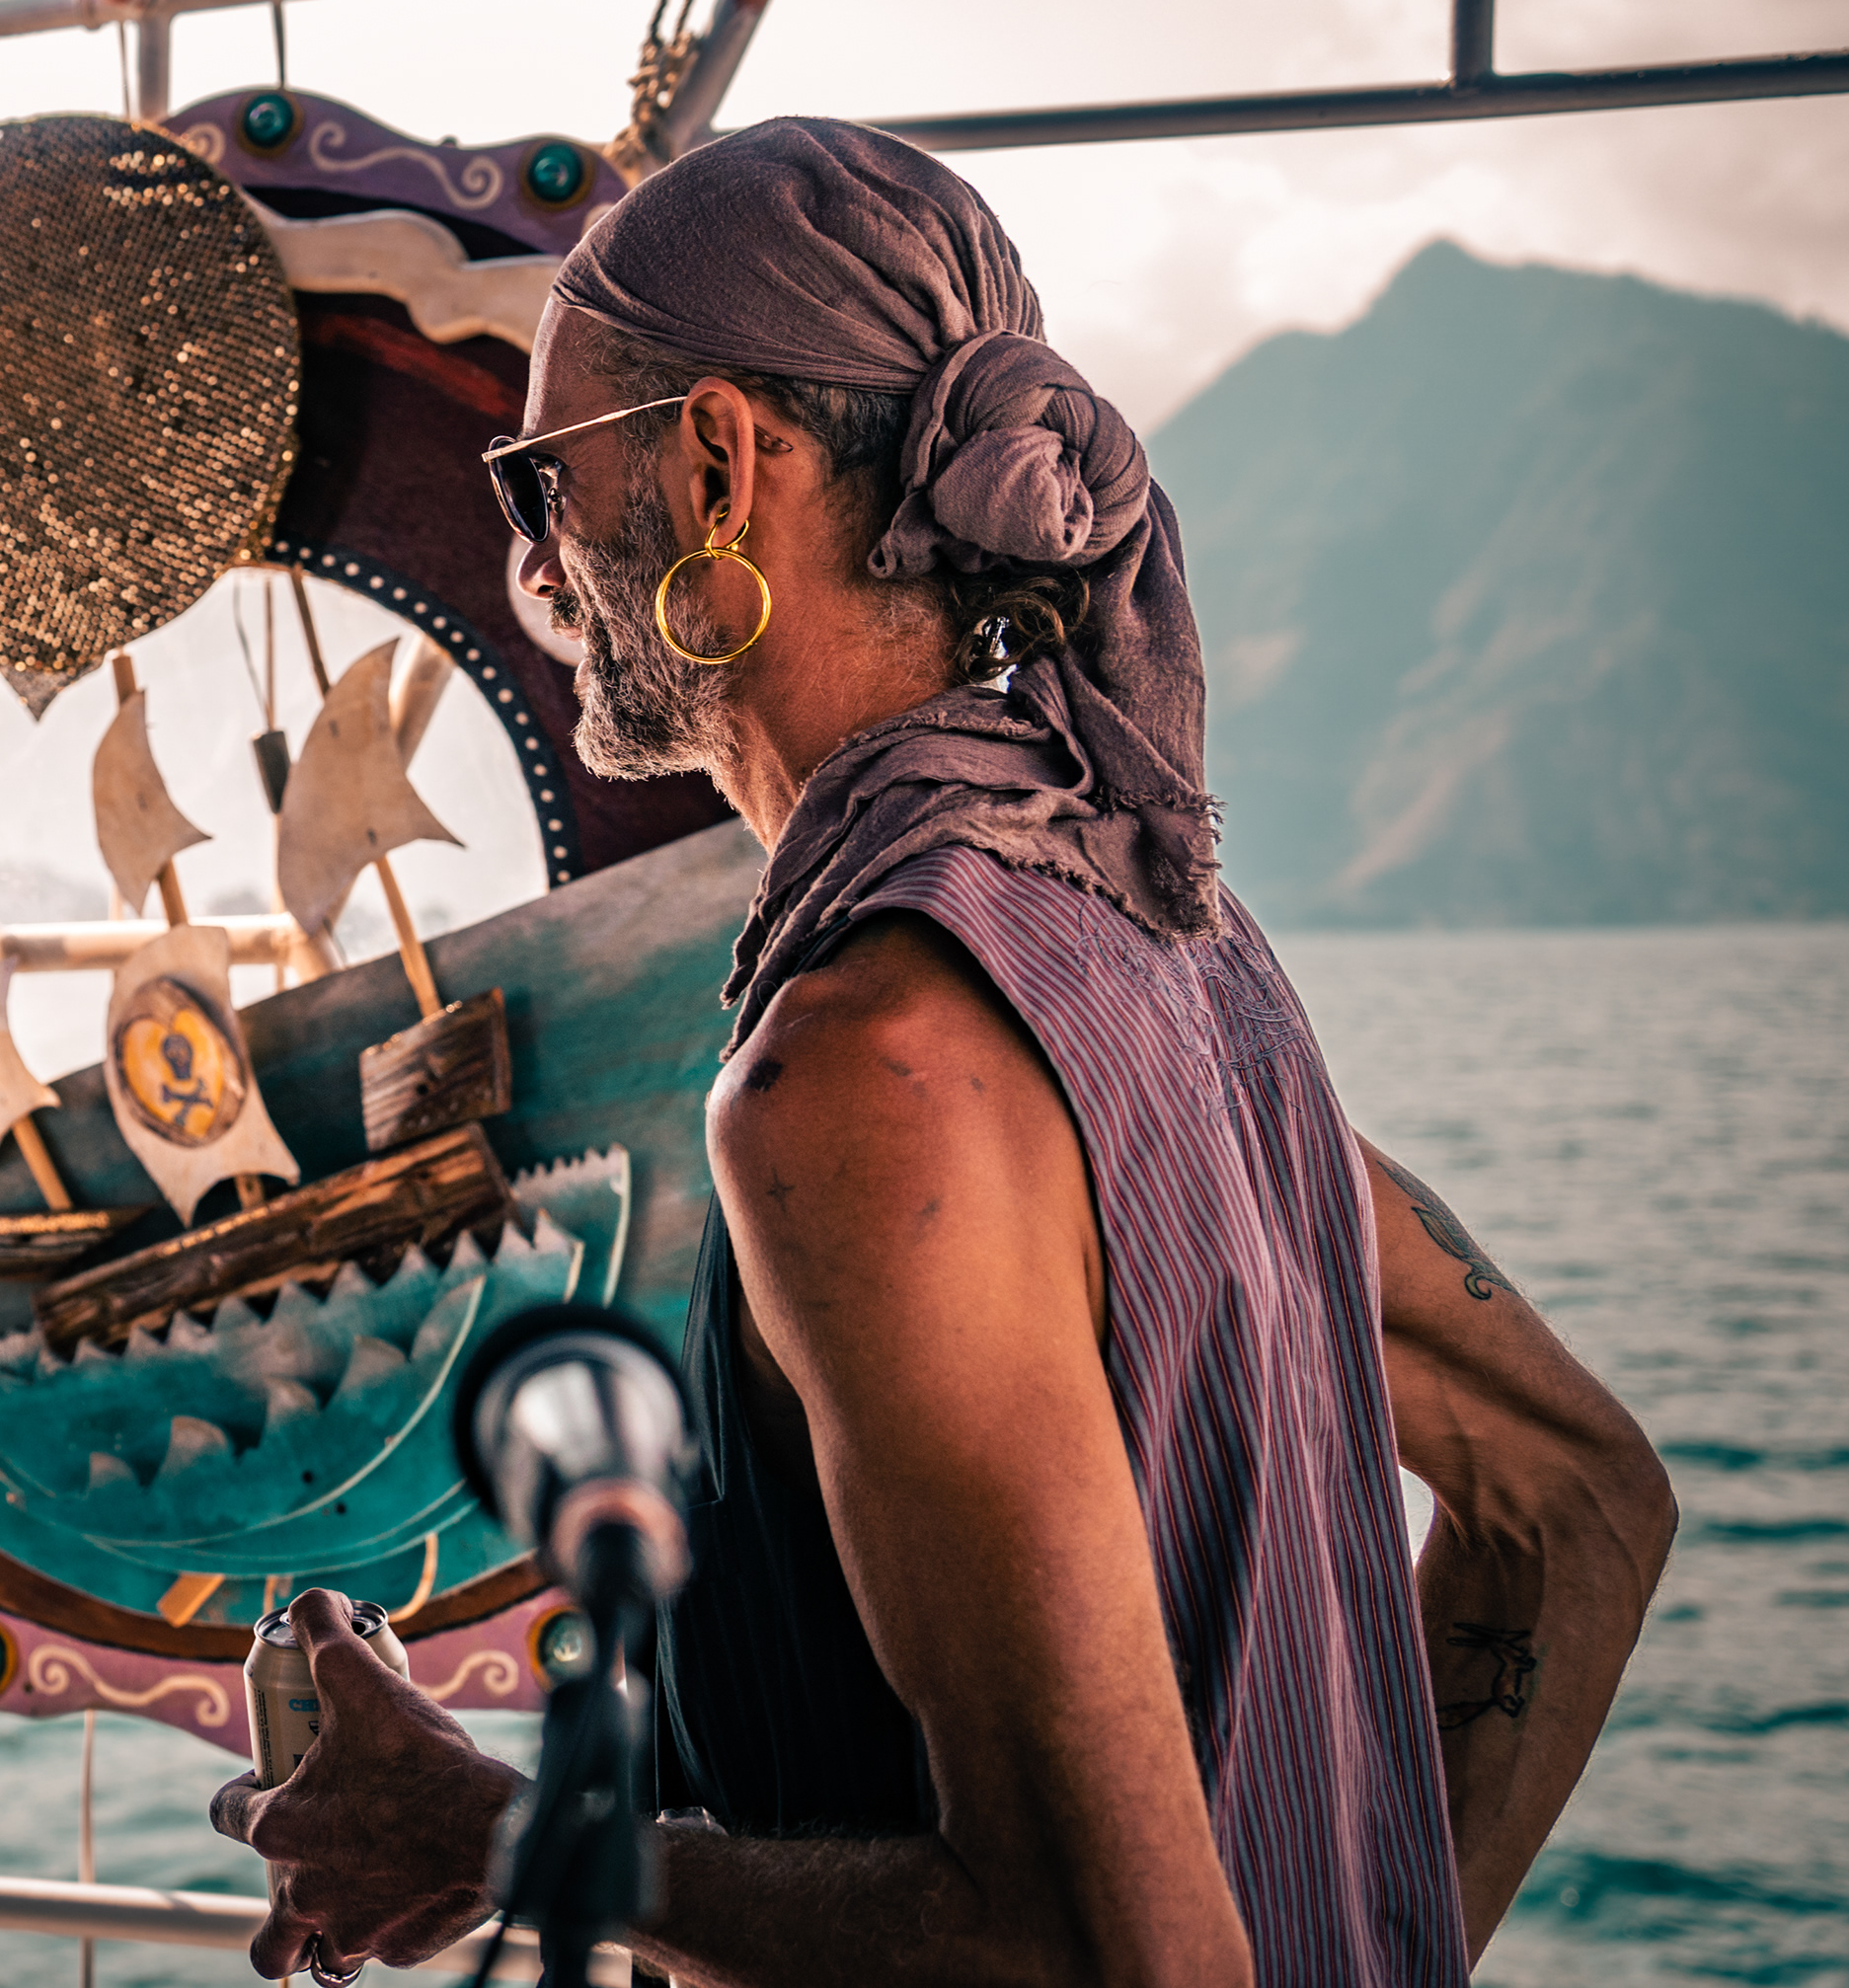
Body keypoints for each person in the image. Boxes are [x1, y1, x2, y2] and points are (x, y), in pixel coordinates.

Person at [210, 123, 1675, 1985]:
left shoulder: (865, 1071)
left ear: (719, 464)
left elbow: (1082, 1949)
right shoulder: (1165, 948)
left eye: (541, 476)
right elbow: (1584, 1504)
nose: (538, 557)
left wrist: (485, 1834)